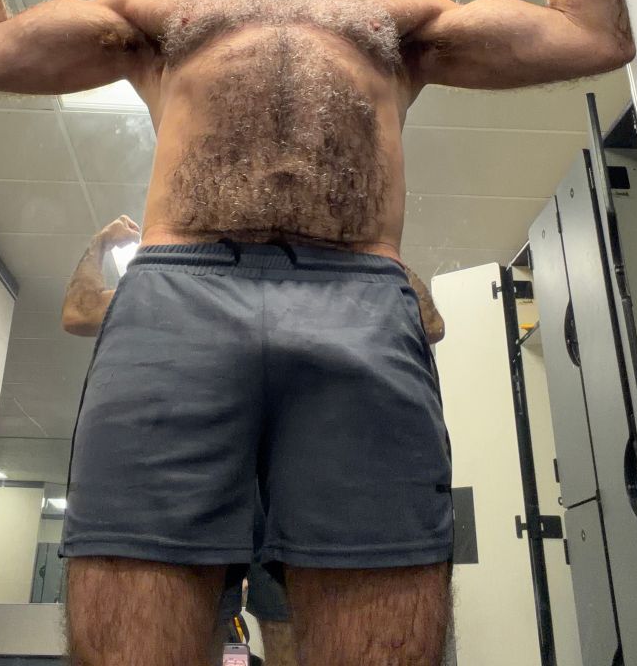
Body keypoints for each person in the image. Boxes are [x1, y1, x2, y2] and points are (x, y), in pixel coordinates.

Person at [0, 0, 633, 666]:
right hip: (178, 297)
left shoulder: (398, 12)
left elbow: (594, 34)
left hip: (359, 297)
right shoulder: (160, 6)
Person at [61, 215, 446, 666]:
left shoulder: (332, 286)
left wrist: (374, 249)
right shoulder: (186, 289)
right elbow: (79, 312)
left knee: (289, 636)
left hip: (292, 483)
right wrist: (100, 243)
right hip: (204, 477)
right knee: (173, 629)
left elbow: (430, 322)